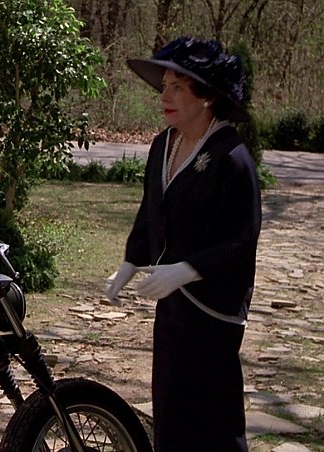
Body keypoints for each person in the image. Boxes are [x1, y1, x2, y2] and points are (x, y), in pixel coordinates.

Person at [105, 37, 261, 451]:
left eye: (177, 88)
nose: (165, 97)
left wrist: (187, 270)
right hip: (172, 311)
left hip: (213, 311)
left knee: (213, 422)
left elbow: (240, 241)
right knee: (171, 415)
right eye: (164, 87)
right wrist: (130, 263)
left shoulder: (232, 158)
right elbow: (150, 213)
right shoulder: (163, 145)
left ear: (206, 96)